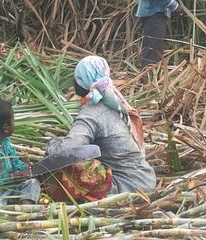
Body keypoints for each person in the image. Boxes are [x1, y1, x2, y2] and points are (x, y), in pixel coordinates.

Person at [46, 56, 156, 195]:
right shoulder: (116, 104)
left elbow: (67, 150)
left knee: (61, 171)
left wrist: (52, 144)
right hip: (147, 179)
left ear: (82, 82)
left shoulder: (92, 113)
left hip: (127, 185)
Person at [137, 0, 179, 69]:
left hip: (152, 11)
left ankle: (149, 75)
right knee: (153, 50)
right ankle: (150, 77)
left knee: (153, 47)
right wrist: (174, 6)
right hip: (154, 12)